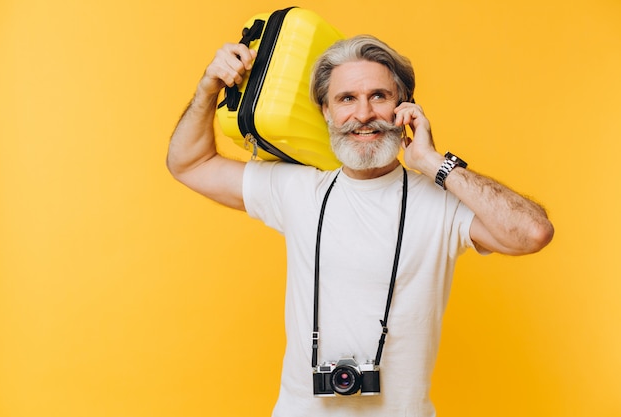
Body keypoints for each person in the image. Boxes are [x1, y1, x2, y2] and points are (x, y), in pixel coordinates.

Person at [167, 34, 554, 417]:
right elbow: (189, 163)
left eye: (379, 97)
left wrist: (435, 162)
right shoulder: (299, 187)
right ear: (326, 112)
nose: (363, 114)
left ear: (404, 108)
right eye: (346, 98)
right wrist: (208, 87)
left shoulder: (443, 202)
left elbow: (532, 232)